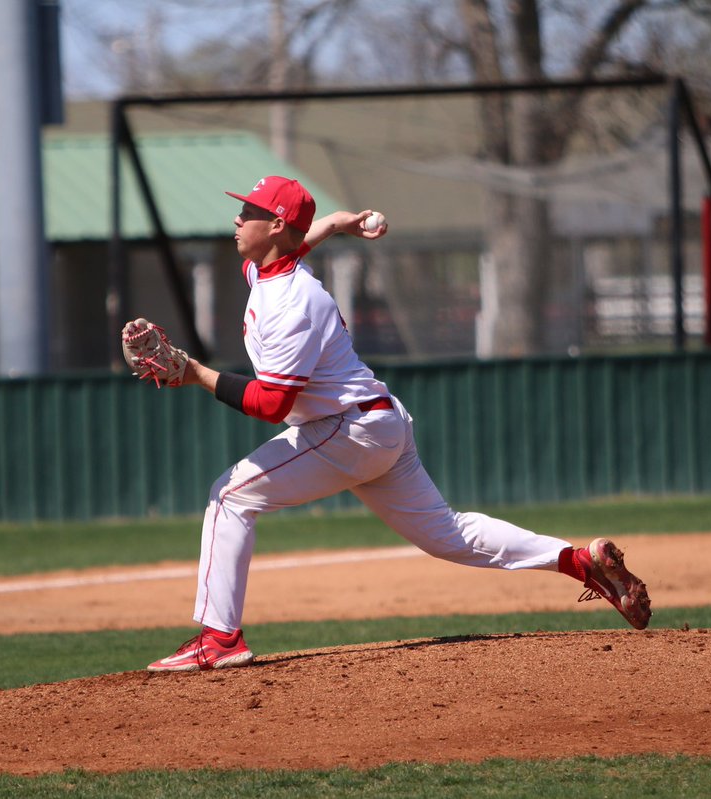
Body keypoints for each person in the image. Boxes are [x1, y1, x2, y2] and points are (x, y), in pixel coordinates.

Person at [140, 175, 650, 672]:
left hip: (346, 430)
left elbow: (272, 404)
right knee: (447, 536)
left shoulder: (293, 303)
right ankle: (579, 561)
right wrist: (335, 224)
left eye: (249, 212)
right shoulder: (269, 272)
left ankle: (220, 639)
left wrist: (195, 373)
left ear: (275, 226)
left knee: (230, 496)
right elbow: (295, 246)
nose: (237, 218)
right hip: (375, 422)